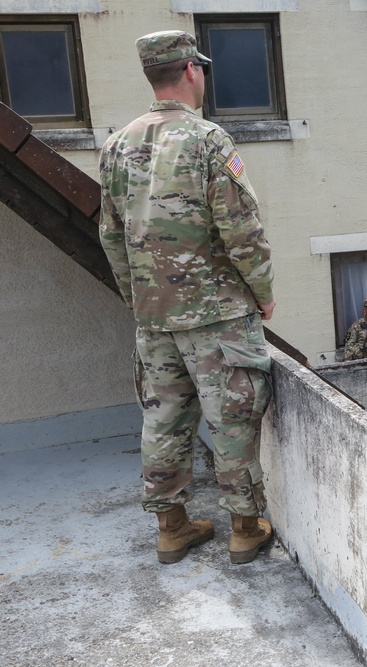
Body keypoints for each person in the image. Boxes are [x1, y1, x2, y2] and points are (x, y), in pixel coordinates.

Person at [99, 30, 275, 565]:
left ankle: (172, 528)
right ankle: (245, 528)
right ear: (192, 72)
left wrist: (138, 297)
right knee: (232, 417)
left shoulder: (115, 145)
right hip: (217, 313)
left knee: (164, 418)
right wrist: (263, 293)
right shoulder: (208, 141)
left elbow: (110, 236)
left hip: (154, 318)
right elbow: (241, 229)